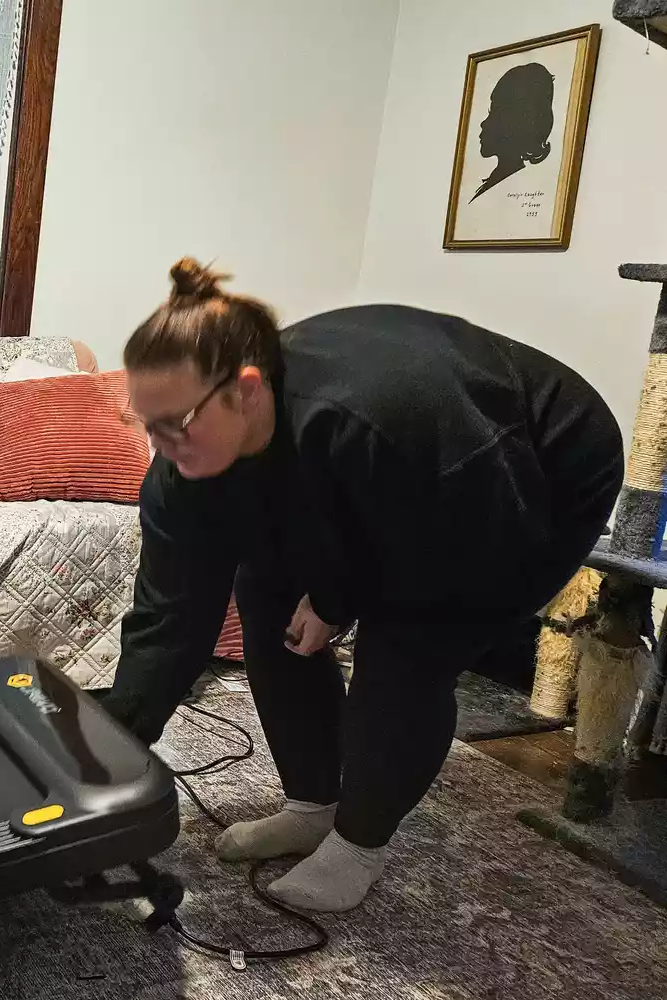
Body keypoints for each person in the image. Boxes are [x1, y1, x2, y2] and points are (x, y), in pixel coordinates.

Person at [102, 258, 623, 912]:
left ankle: (359, 843)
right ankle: (313, 804)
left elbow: (449, 552)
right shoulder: (184, 477)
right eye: (149, 426)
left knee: (407, 647)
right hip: (381, 478)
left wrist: (338, 597)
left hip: (527, 468)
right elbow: (167, 622)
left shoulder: (380, 419)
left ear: (248, 390)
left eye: (177, 425)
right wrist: (107, 758)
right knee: (265, 600)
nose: (163, 447)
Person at [471, 62, 555, 203]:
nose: (483, 123)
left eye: (495, 114)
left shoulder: (508, 183)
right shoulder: (497, 179)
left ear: (518, 126)